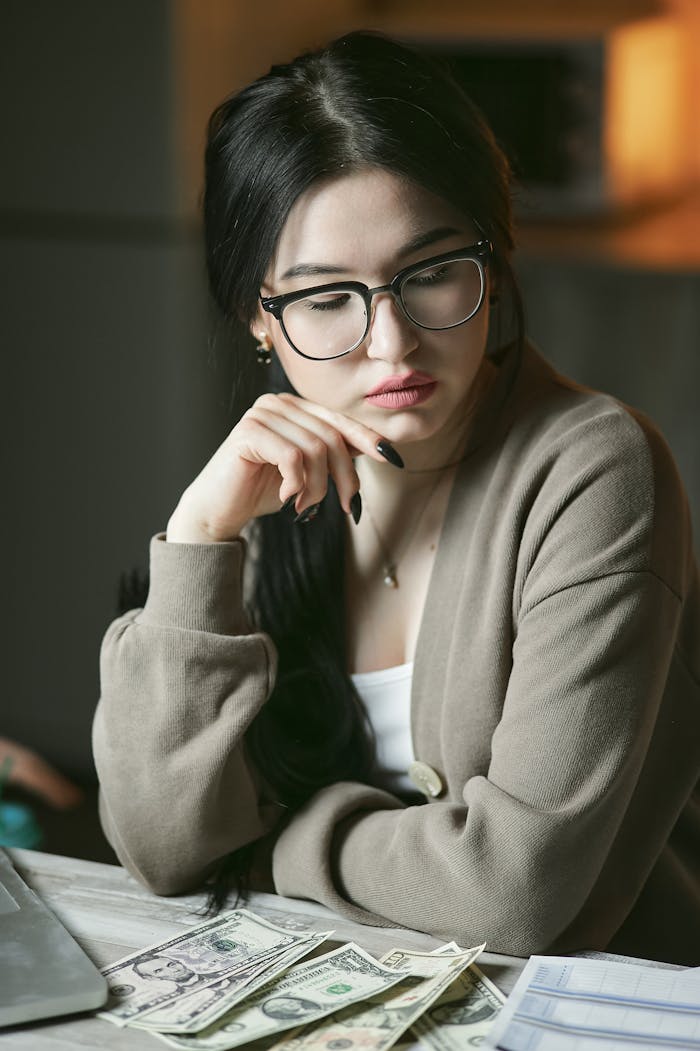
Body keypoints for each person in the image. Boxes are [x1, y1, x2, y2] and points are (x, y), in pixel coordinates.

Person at [93, 31, 700, 964]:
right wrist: (200, 538)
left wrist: (277, 842)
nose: (391, 346)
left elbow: (514, 891)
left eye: (429, 274)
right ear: (260, 313)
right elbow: (164, 851)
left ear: (492, 263)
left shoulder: (591, 467)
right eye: (327, 296)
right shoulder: (269, 478)